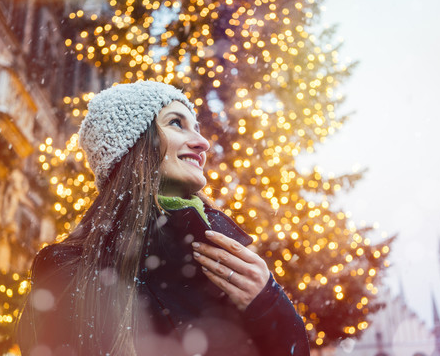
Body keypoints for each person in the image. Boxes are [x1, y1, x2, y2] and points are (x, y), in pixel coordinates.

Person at [17, 81, 310, 356]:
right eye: (175, 123)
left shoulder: (232, 264)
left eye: (197, 127)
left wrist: (270, 306)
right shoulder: (70, 270)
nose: (202, 143)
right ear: (133, 144)